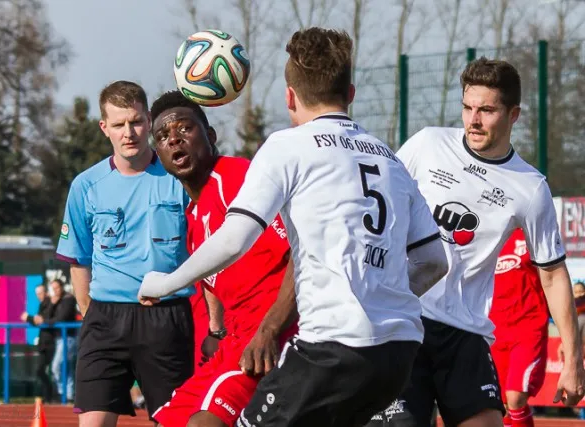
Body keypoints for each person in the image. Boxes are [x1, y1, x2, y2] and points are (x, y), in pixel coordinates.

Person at [139, 27, 449, 427]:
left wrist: (165, 283)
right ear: (350, 94)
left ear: (289, 96)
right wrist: (381, 295)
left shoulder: (287, 147)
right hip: (397, 353)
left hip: (331, 346)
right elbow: (434, 261)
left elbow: (234, 240)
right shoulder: (389, 159)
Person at [370, 57, 585, 427]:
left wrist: (573, 360)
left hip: (464, 333)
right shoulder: (428, 144)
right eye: (468, 107)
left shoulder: (530, 187)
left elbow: (552, 275)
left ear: (513, 114)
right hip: (403, 320)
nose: (473, 120)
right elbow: (378, 208)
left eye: (486, 110)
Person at [146, 90, 297, 427]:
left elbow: (302, 256)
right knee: (167, 421)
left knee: (204, 423)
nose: (174, 139)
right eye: (163, 136)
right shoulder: (193, 216)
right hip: (235, 340)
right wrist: (216, 329)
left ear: (211, 136)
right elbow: (212, 277)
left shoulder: (235, 177)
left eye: (185, 128)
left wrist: (270, 330)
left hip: (275, 335)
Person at [55, 80, 195, 427]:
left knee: (175, 421)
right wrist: (90, 312)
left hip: (167, 319)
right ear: (104, 127)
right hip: (104, 320)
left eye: (136, 122)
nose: (129, 133)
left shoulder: (179, 179)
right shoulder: (85, 185)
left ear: (149, 121)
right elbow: (79, 260)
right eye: (119, 124)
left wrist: (214, 323)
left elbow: (205, 252)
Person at [489, 228, 550, 427]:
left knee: (516, 397)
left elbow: (553, 280)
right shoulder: (486, 235)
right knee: (502, 404)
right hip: (493, 331)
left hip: (528, 328)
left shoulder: (531, 232)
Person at [39, 278, 78, 402]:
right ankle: (69, 395)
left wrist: (44, 321)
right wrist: (52, 304)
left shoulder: (68, 299)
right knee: (65, 367)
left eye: (57, 288)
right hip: (59, 338)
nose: (55, 290)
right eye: (53, 288)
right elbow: (47, 315)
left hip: (68, 337)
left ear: (62, 287)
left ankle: (63, 392)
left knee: (57, 366)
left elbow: (61, 318)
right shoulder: (55, 300)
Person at [21, 283, 56, 403]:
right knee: (42, 371)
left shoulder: (49, 303)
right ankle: (49, 396)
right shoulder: (42, 304)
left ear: (46, 292)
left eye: (41, 293)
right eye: (37, 294)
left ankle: (51, 396)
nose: (39, 296)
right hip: (44, 342)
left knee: (47, 370)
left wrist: (28, 318)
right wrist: (33, 319)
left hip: (50, 342)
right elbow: (38, 320)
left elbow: (41, 320)